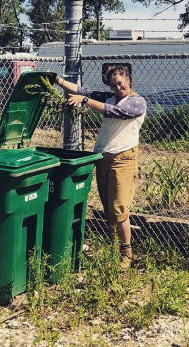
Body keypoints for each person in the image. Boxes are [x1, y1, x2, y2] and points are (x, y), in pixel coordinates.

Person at [55, 67, 146, 270]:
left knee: (119, 209)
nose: (118, 87)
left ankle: (127, 254)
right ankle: (114, 250)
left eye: (121, 83)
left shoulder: (137, 102)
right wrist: (59, 81)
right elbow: (81, 90)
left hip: (123, 160)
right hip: (103, 159)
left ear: (128, 80)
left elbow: (112, 111)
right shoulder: (110, 97)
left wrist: (85, 101)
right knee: (108, 210)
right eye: (114, 85)